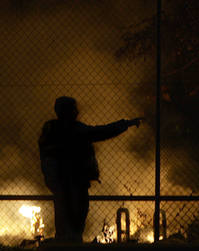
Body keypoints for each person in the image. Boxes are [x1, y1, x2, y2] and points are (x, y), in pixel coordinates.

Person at [39, 96, 142, 242]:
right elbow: (101, 132)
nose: (77, 111)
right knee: (75, 222)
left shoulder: (50, 130)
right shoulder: (74, 129)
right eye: (74, 108)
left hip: (59, 184)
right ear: (69, 111)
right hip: (75, 183)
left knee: (63, 224)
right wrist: (126, 124)